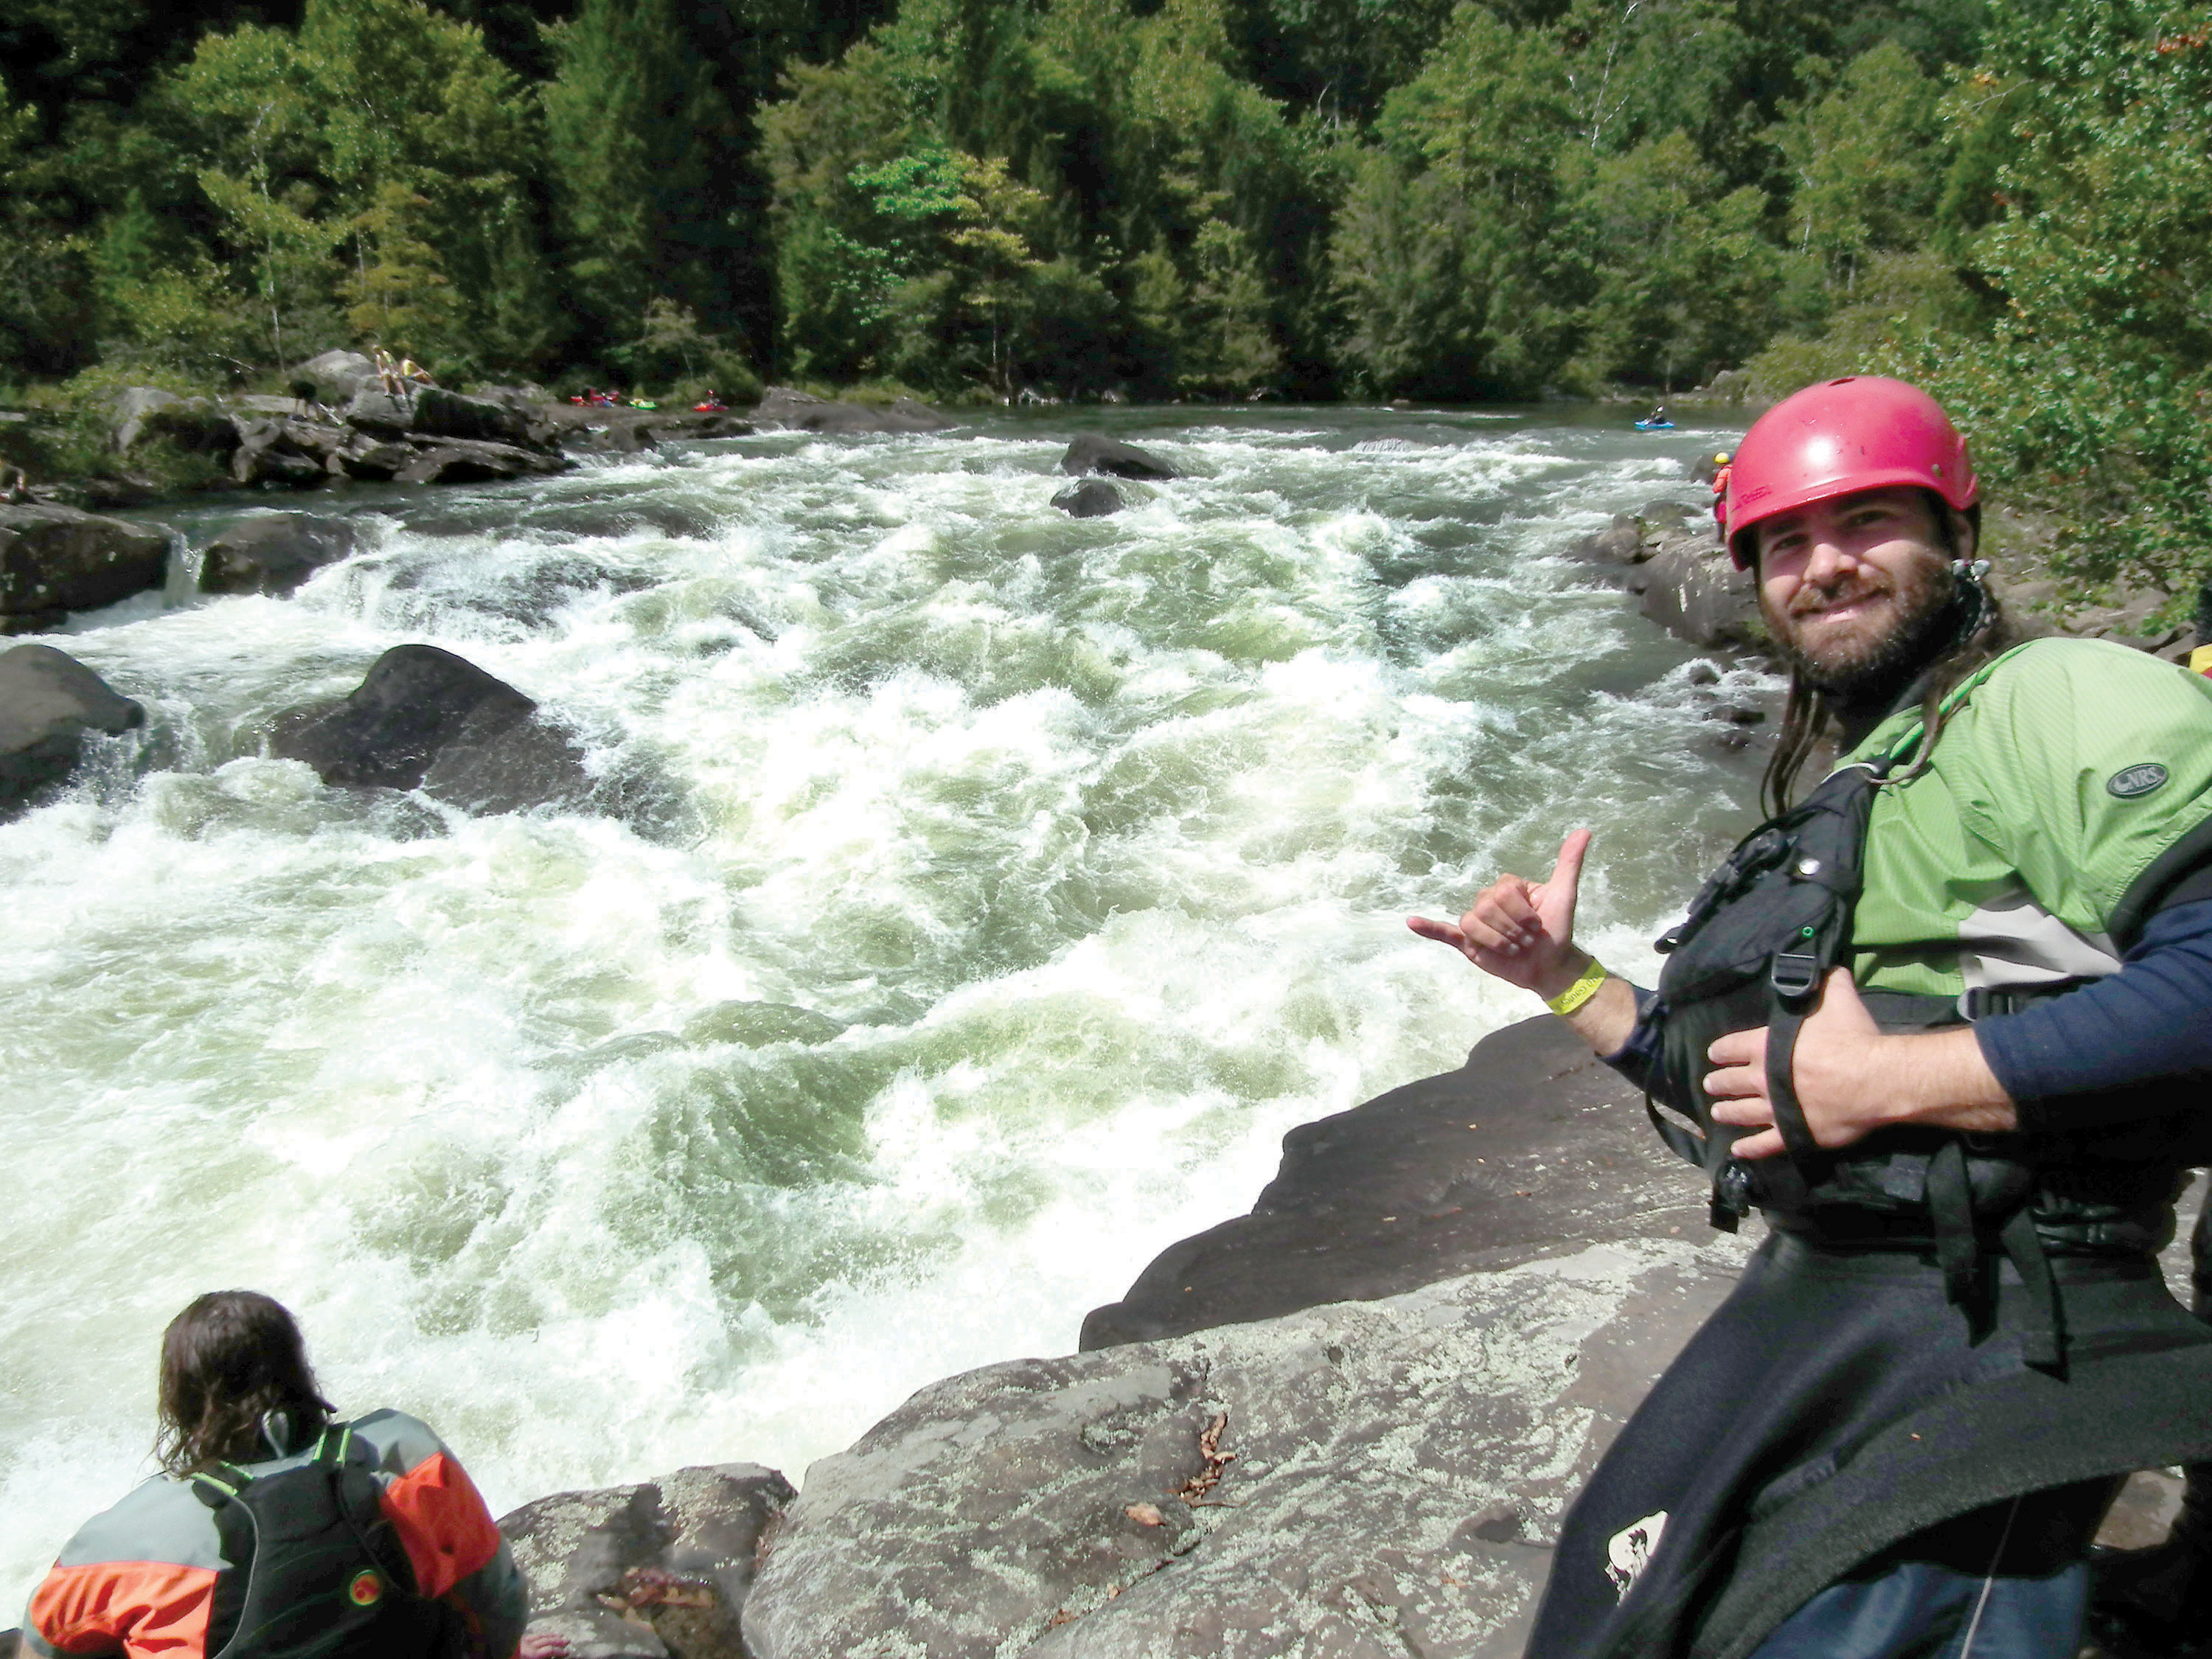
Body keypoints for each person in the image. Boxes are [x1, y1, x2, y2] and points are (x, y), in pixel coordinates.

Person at [1411, 375, 2212, 1658]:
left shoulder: (2060, 698)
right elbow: (1753, 1078)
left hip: (2011, 1316)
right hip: (1832, 1291)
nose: (1824, 568)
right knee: (1608, 1608)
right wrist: (1564, 978)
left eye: (1866, 524)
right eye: (1787, 542)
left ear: (1955, 539)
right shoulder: (1878, 770)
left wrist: (1893, 1082)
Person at [19, 1290, 560, 1659]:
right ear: (298, 1367)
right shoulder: (401, 1450)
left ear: (179, 1400)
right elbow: (497, 1603)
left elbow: (40, 1646)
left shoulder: (126, 1536)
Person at [1708, 450, 1733, 541]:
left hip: (1725, 499)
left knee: (1721, 518)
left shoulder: (1724, 472)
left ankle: (1721, 539)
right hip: (1734, 498)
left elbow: (1718, 488)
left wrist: (1715, 486)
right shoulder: (1734, 469)